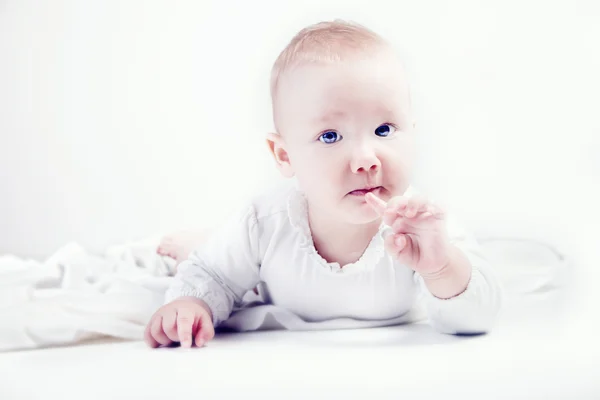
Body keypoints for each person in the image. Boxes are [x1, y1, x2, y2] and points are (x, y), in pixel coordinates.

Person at [145, 20, 502, 349]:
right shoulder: (265, 222)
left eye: (384, 130)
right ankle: (201, 242)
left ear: (412, 133)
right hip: (262, 277)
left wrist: (440, 268)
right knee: (224, 259)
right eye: (330, 136)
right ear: (284, 156)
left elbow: (476, 318)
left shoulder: (424, 227)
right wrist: (191, 303)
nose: (366, 158)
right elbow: (213, 275)